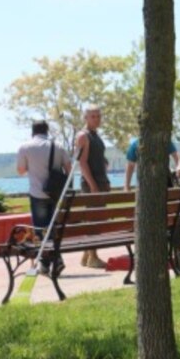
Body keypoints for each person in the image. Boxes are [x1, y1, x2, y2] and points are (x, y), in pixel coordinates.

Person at [16, 120, 72, 276]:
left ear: (32, 131)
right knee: (53, 228)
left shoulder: (25, 147)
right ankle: (50, 262)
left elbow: (20, 170)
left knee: (41, 230)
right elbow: (69, 168)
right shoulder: (58, 146)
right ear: (47, 131)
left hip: (37, 194)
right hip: (55, 195)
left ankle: (52, 262)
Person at [76, 105, 111, 269]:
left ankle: (86, 255)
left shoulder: (96, 136)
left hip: (101, 181)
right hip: (92, 183)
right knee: (93, 221)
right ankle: (93, 257)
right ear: (86, 118)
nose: (96, 119)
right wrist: (93, 186)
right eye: (93, 116)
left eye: (98, 116)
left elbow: (98, 158)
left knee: (98, 219)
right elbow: (82, 163)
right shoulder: (84, 136)